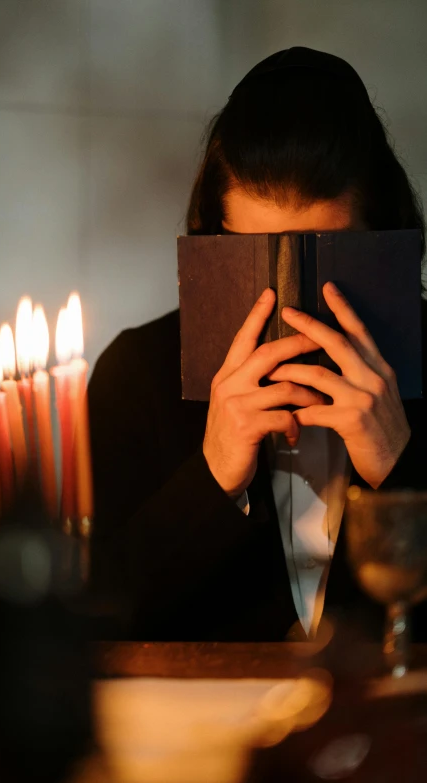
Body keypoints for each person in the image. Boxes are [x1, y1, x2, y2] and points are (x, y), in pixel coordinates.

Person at [88, 47, 427, 642]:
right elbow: (91, 624)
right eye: (257, 255)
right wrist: (212, 476)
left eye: (328, 251)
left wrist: (403, 469)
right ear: (211, 241)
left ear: (384, 238)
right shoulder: (139, 375)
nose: (293, 306)